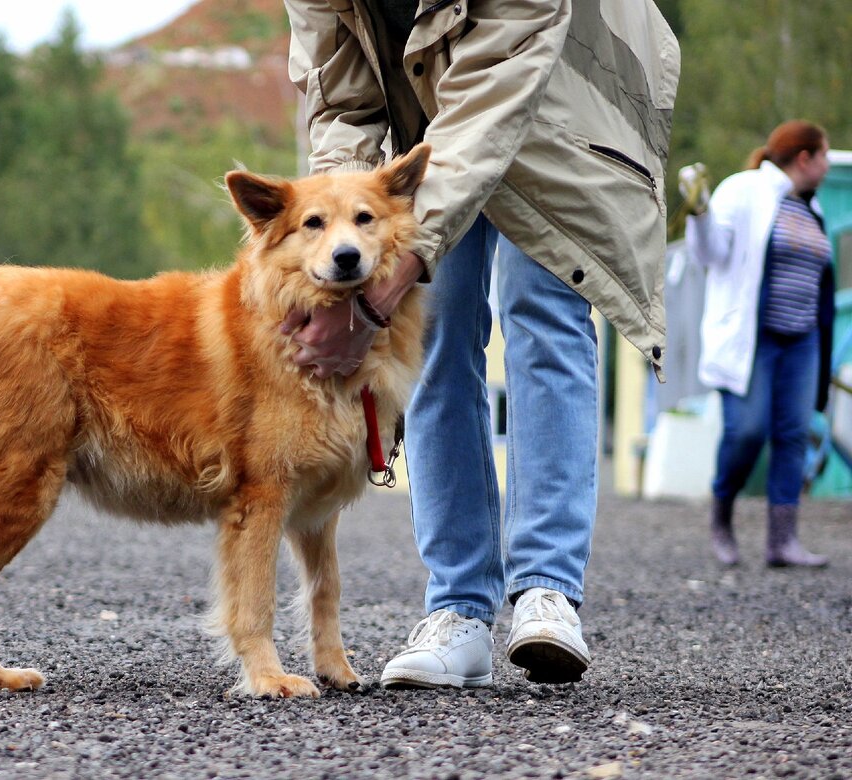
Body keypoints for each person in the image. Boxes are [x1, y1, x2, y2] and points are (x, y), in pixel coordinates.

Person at [281, 0, 679, 687]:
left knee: (543, 309)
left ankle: (547, 589)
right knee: (428, 330)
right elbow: (340, 102)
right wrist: (350, 246)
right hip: (431, 119)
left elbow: (493, 93)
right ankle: (458, 610)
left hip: (560, 94)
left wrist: (387, 287)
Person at [683, 120, 834, 568]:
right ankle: (721, 516)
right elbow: (710, 255)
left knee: (792, 436)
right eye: (825, 155)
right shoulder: (744, 189)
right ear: (805, 158)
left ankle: (782, 541)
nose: (827, 165)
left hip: (802, 340)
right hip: (755, 340)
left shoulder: (812, 207)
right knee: (747, 430)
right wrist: (700, 214)